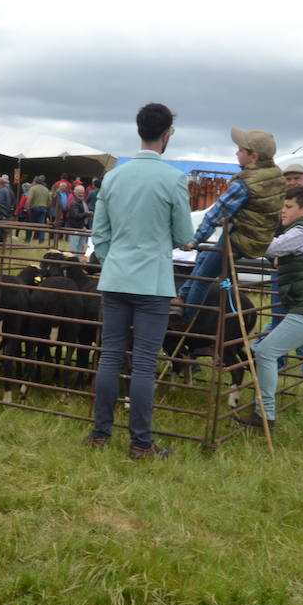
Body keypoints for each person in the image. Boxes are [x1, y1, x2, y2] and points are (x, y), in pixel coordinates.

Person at [83, 103, 194, 460]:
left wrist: (113, 257)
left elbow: (99, 233)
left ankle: (100, 434)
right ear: (167, 136)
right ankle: (141, 444)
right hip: (153, 282)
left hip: (115, 278)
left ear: (138, 131)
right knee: (145, 362)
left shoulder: (114, 176)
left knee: (110, 356)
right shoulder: (174, 179)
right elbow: (182, 235)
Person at [233, 187, 303, 444]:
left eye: (289, 206)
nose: (283, 209)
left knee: (265, 352)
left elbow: (271, 247)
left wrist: (245, 233)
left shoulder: (301, 231)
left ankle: (264, 415)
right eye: (283, 205)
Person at [179, 128, 286, 325]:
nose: (236, 153)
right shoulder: (276, 175)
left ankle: (185, 317)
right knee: (204, 257)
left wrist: (196, 240)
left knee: (204, 275)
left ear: (253, 156)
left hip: (239, 238)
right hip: (259, 237)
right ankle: (182, 295)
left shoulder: (245, 183)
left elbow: (217, 213)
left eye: (240, 150)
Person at [65, 183, 91, 254]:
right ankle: (72, 262)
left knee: (81, 246)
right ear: (75, 193)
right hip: (75, 227)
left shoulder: (82, 201)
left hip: (82, 227)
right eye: (80, 193)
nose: (82, 194)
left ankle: (78, 262)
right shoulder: (74, 202)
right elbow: (75, 215)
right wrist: (86, 214)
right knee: (74, 247)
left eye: (83, 192)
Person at [26, 174, 50, 242]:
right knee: (41, 225)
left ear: (35, 182)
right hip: (43, 208)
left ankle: (28, 239)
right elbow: (50, 200)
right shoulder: (46, 189)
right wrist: (46, 206)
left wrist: (27, 207)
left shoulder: (33, 188)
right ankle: (41, 240)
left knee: (30, 224)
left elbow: (29, 199)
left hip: (34, 208)